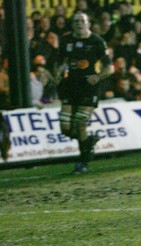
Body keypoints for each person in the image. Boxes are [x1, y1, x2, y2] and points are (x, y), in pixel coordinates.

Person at [56, 11, 114, 173]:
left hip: (89, 87)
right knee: (65, 128)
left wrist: (97, 76)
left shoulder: (97, 41)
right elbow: (60, 62)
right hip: (70, 86)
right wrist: (58, 74)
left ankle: (83, 162)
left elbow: (110, 68)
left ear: (88, 23)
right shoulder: (66, 40)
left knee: (80, 124)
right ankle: (88, 142)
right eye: (75, 21)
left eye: (82, 20)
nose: (79, 23)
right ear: (72, 24)